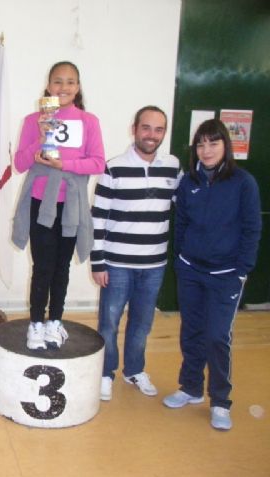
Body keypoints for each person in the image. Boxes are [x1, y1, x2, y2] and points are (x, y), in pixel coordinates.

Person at [163, 119, 261, 431]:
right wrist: (181, 259)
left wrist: (241, 269)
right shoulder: (189, 182)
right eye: (201, 144)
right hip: (190, 270)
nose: (206, 150)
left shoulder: (243, 182)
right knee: (191, 331)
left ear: (225, 146)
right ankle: (190, 387)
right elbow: (181, 223)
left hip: (226, 274)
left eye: (213, 143)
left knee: (217, 337)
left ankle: (220, 400)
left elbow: (252, 228)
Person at [11, 61, 105, 350]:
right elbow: (20, 163)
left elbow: (98, 163)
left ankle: (55, 322)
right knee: (42, 266)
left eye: (70, 82)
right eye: (58, 81)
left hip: (72, 205)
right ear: (48, 86)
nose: (63, 87)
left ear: (78, 87)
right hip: (41, 203)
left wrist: (65, 164)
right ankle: (36, 324)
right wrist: (40, 139)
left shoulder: (89, 121)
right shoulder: (33, 120)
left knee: (61, 267)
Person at [91, 106, 181, 401]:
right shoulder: (113, 167)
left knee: (142, 324)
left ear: (164, 133)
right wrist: (98, 262)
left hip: (154, 264)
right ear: (134, 129)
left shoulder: (173, 167)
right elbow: (98, 218)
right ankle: (105, 373)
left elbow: (184, 205)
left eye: (159, 129)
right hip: (116, 264)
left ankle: (134, 370)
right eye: (146, 127)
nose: (152, 135)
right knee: (109, 323)